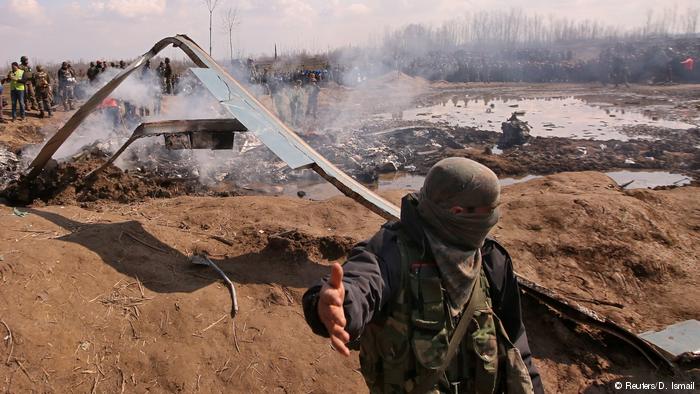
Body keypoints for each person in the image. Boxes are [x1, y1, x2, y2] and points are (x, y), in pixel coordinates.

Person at [303, 158, 543, 393]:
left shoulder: (491, 260)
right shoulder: (391, 252)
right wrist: (338, 306)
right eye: (489, 210)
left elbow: (516, 343)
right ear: (458, 212)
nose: (494, 217)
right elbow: (361, 283)